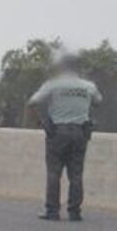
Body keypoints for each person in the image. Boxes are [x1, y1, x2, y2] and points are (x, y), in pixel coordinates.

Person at [28, 54, 101, 222]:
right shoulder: (88, 86)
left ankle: (52, 211)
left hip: (57, 132)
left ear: (62, 67)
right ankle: (74, 211)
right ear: (78, 68)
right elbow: (98, 101)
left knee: (54, 173)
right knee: (76, 174)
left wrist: (40, 122)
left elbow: (32, 103)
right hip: (80, 132)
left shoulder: (53, 84)